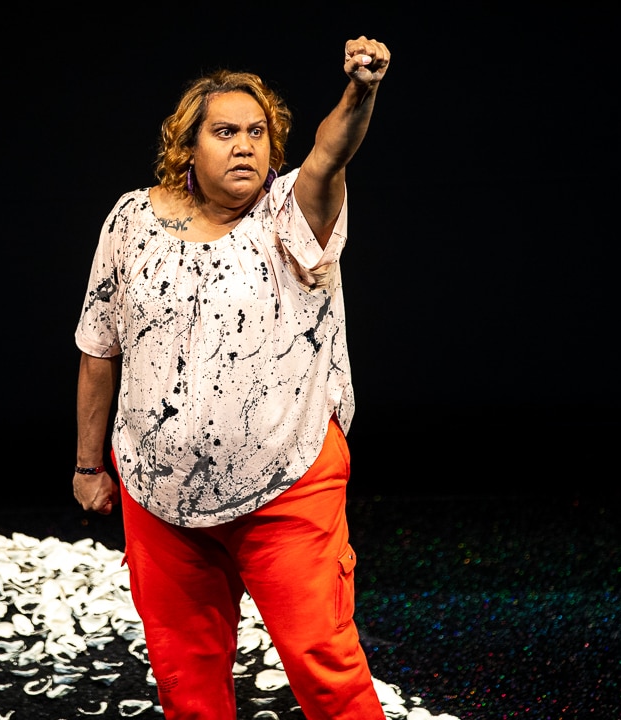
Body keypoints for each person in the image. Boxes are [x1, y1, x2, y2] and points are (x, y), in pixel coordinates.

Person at [72, 35, 391, 719]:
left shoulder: (293, 213)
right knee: (187, 686)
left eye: (258, 133)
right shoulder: (131, 219)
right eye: (225, 132)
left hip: (286, 486)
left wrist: (360, 93)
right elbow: (100, 348)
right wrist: (86, 463)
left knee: (323, 665)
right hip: (160, 501)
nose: (245, 145)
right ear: (188, 147)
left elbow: (331, 152)